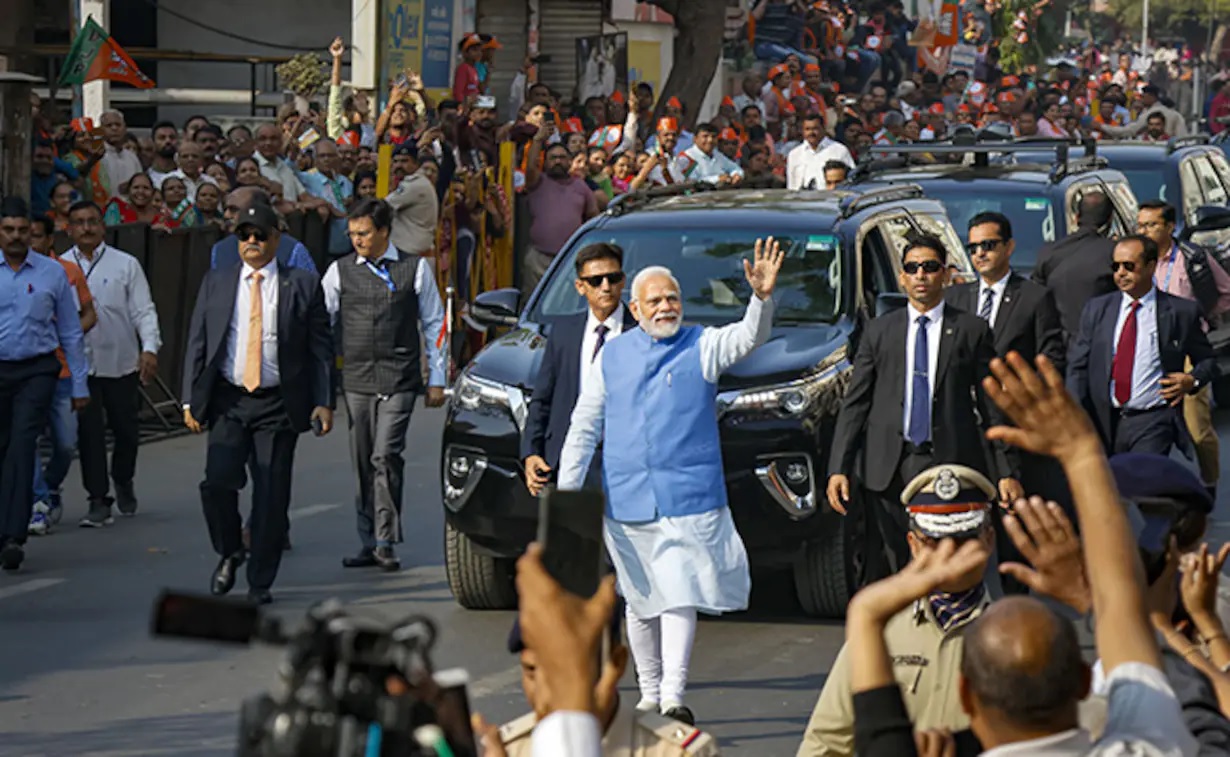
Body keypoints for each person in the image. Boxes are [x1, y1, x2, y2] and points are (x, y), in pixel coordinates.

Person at [849, 352, 1198, 757]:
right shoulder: (1145, 748)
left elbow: (877, 728)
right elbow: (1121, 607)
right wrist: (1083, 453)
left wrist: (868, 610)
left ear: (966, 696)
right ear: (1086, 683)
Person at [557, 240, 785, 723]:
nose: (666, 307)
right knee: (640, 602)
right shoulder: (611, 357)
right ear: (634, 309)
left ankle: (673, 697)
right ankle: (649, 690)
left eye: (673, 298)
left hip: (689, 497)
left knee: (679, 592)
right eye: (655, 300)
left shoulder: (701, 344)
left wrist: (761, 299)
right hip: (627, 498)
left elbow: (747, 337)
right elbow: (585, 425)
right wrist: (567, 494)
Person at [827, 234, 1021, 580]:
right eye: (912, 268)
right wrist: (838, 468)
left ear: (945, 274)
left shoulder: (971, 330)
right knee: (895, 560)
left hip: (946, 462)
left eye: (929, 268)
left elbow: (992, 403)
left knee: (945, 558)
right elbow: (856, 403)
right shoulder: (879, 331)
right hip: (888, 462)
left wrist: (1006, 471)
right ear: (902, 277)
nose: (920, 275)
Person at [181, 205, 334, 604]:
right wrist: (189, 399)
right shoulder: (217, 281)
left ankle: (260, 581)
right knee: (217, 482)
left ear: (276, 237)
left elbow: (320, 347)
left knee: (270, 495)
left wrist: (323, 401)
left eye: (259, 234)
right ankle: (231, 550)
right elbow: (198, 342)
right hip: (230, 400)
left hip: (279, 404)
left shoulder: (301, 284)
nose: (251, 242)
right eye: (244, 234)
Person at [797, 465, 996, 757]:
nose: (948, 553)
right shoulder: (880, 633)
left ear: (989, 540)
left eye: (964, 540)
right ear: (913, 545)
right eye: (934, 542)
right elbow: (826, 742)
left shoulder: (1015, 634)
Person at [322, 199, 446, 571]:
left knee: (385, 455)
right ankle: (368, 538)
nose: (356, 239)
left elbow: (435, 324)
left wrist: (436, 379)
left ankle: (386, 539)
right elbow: (320, 322)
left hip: (400, 379)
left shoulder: (415, 268)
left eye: (363, 233)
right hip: (357, 381)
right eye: (353, 234)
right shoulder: (339, 271)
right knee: (363, 461)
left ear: (383, 232)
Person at [945, 211, 1067, 516]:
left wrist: (1018, 391)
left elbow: (1051, 360)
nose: (980, 253)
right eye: (973, 247)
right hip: (964, 427)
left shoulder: (1035, 298)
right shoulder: (956, 298)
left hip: (1014, 425)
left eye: (988, 245)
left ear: (1009, 247)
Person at [1067, 234, 1218, 457]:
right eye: (1115, 266)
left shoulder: (1180, 312)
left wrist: (1192, 380)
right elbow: (1078, 366)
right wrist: (1076, 414)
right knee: (1111, 489)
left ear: (1150, 266)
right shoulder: (1097, 309)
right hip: (1104, 420)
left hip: (1153, 421)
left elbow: (1208, 361)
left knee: (1143, 484)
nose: (1120, 273)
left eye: (1128, 266)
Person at [0, 198, 89, 570]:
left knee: (23, 445)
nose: (17, 237)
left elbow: (70, 329)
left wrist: (80, 385)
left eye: (23, 230)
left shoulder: (52, 273)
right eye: (9, 230)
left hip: (37, 370)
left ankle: (13, 535)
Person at [61, 201, 161, 527]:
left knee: (126, 431)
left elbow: (143, 310)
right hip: (81, 367)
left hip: (121, 362)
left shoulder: (125, 264)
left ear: (103, 227)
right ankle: (98, 498)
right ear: (69, 228)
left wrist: (150, 348)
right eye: (79, 222)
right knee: (89, 434)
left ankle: (123, 478)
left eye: (92, 222)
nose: (87, 228)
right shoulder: (59, 268)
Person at [498, 610, 719, 756]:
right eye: (531, 671)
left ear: (616, 664)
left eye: (563, 673)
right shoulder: (509, 749)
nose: (544, 691)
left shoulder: (676, 753)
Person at [522, 243, 637, 496]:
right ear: (580, 287)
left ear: (623, 281)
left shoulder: (642, 333)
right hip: (569, 460)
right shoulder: (563, 332)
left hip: (628, 466)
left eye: (613, 278)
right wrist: (531, 453)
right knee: (569, 535)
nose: (606, 287)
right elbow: (543, 398)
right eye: (596, 281)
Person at [1139, 199, 1230, 494]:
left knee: (1197, 426)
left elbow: (1224, 292)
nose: (1144, 231)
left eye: (1151, 225)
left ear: (1170, 227)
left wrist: (1202, 316)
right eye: (1140, 225)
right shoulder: (1135, 258)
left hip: (1188, 350)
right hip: (1147, 348)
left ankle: (1209, 481)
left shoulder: (1192, 258)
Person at [28, 218, 98, 534]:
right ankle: (37, 501)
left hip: (64, 372)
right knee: (26, 439)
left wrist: (61, 337)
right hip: (28, 372)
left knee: (66, 444)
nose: (29, 243)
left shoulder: (65, 272)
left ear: (48, 240)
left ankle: (50, 485)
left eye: (35, 237)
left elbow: (88, 315)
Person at [1032, 191, 1119, 345]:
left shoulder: (1048, 253)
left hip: (1057, 346)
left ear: (1076, 217)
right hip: (1099, 345)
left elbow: (1035, 301)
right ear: (1110, 219)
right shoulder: (1114, 253)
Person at [210, 187, 318, 272]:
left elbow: (309, 292)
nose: (226, 215)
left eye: (233, 209)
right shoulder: (219, 250)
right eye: (226, 209)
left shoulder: (292, 250)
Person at [786, 114, 855, 191]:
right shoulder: (794, 154)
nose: (811, 132)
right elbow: (791, 186)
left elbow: (852, 179)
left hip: (832, 199)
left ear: (823, 128)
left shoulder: (839, 150)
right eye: (807, 129)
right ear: (803, 131)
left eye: (815, 128)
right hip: (802, 200)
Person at [672, 123, 744, 185]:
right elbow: (691, 182)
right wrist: (717, 179)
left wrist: (736, 175)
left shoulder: (717, 155)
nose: (710, 140)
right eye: (705, 136)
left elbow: (735, 168)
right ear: (695, 139)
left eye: (713, 136)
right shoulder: (686, 157)